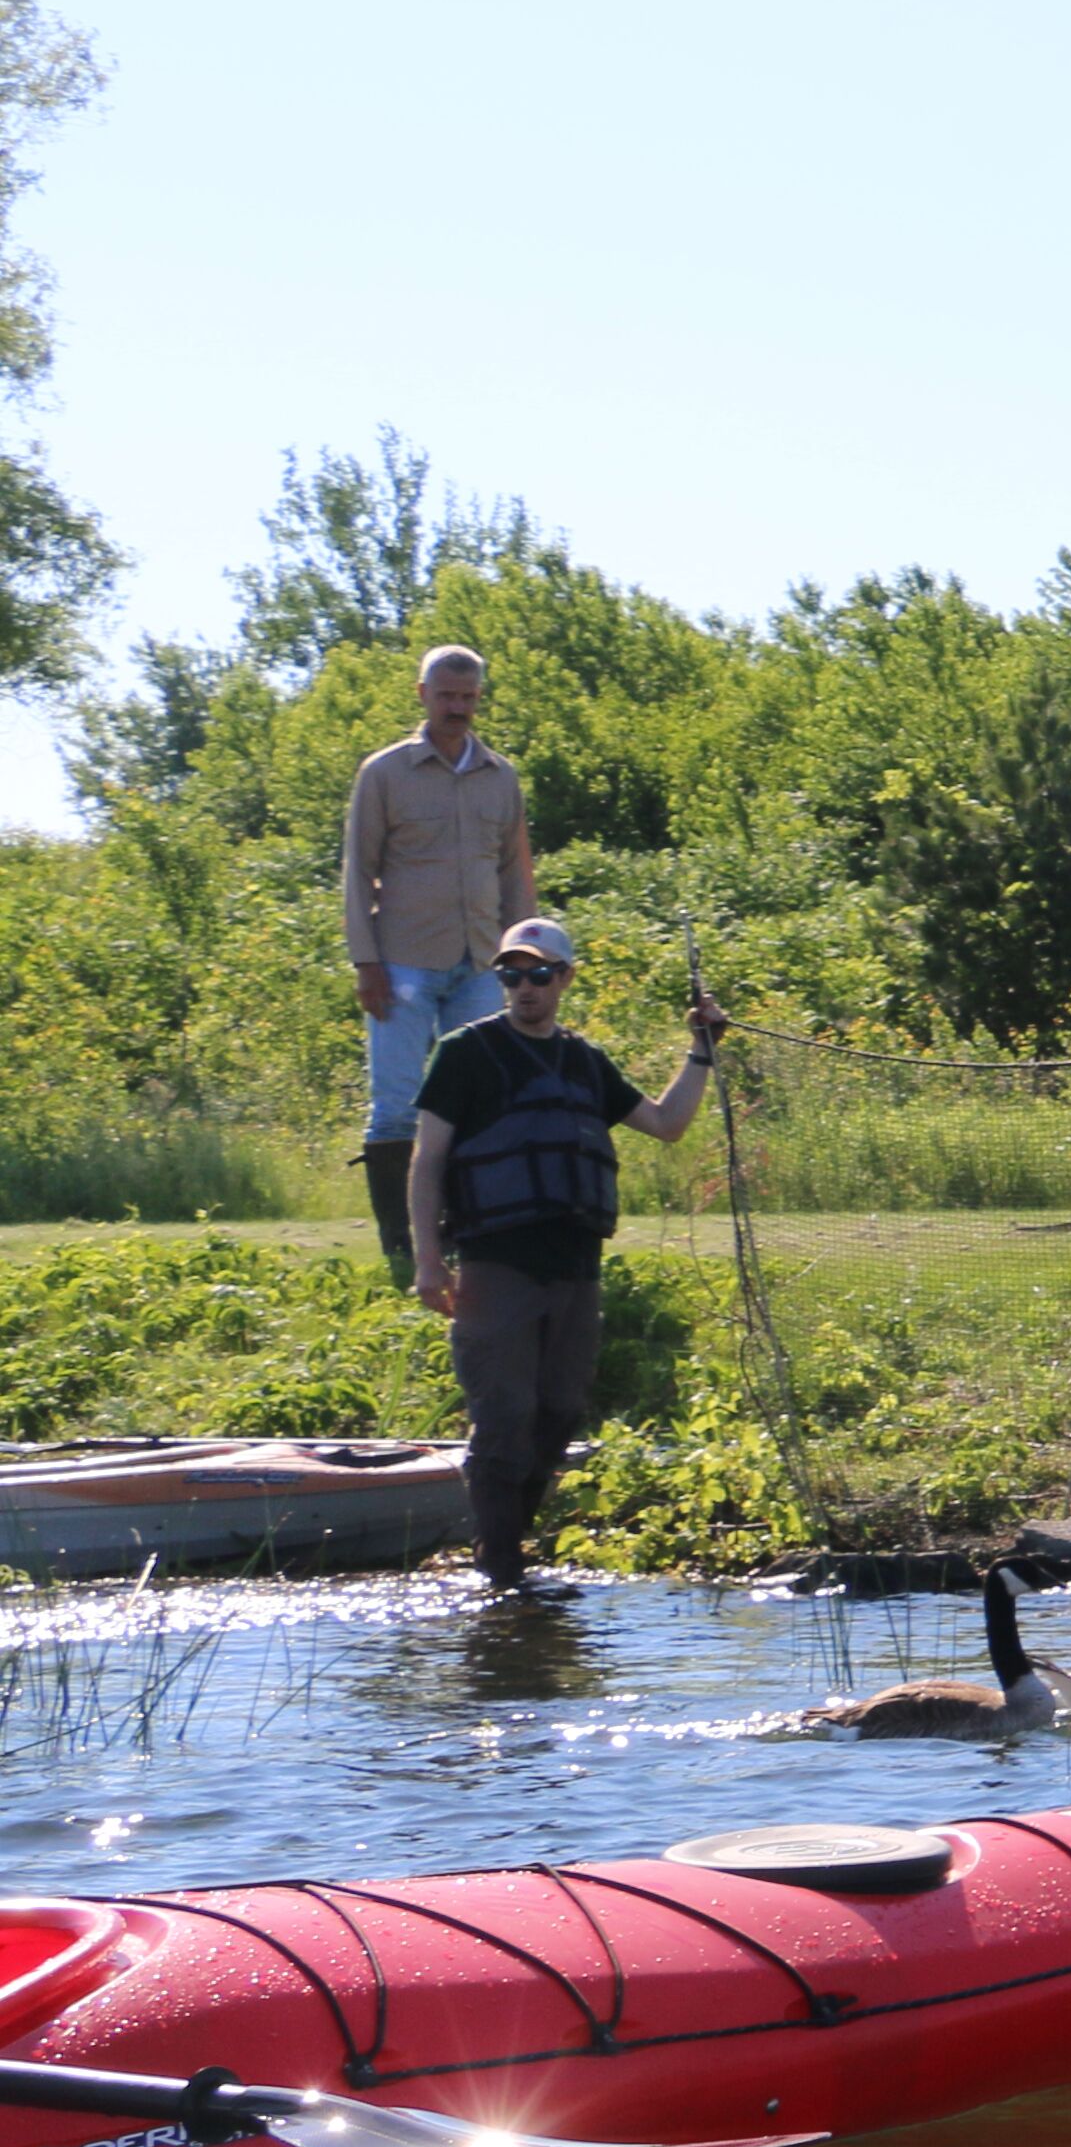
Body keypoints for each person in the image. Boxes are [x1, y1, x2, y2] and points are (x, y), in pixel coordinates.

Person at [409, 916, 721, 1589]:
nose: (525, 988)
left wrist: (700, 1049)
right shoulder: (465, 1053)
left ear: (565, 979)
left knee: (559, 1413)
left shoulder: (584, 1060)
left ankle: (502, 1562)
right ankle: (500, 1577)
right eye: (511, 975)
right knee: (506, 1417)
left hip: (576, 1268)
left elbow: (666, 1124)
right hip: (496, 1262)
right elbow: (427, 1160)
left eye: (540, 974)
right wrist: (428, 1260)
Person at [342, 644, 545, 1289]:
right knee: (397, 1107)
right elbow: (358, 872)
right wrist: (365, 961)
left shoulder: (500, 777)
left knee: (480, 1104)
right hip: (402, 963)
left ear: (479, 697)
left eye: (468, 696)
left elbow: (515, 873)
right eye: (446, 695)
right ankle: (404, 1252)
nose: (457, 707)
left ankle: (468, 1240)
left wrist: (527, 958)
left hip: (483, 964)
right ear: (422, 694)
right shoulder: (384, 773)